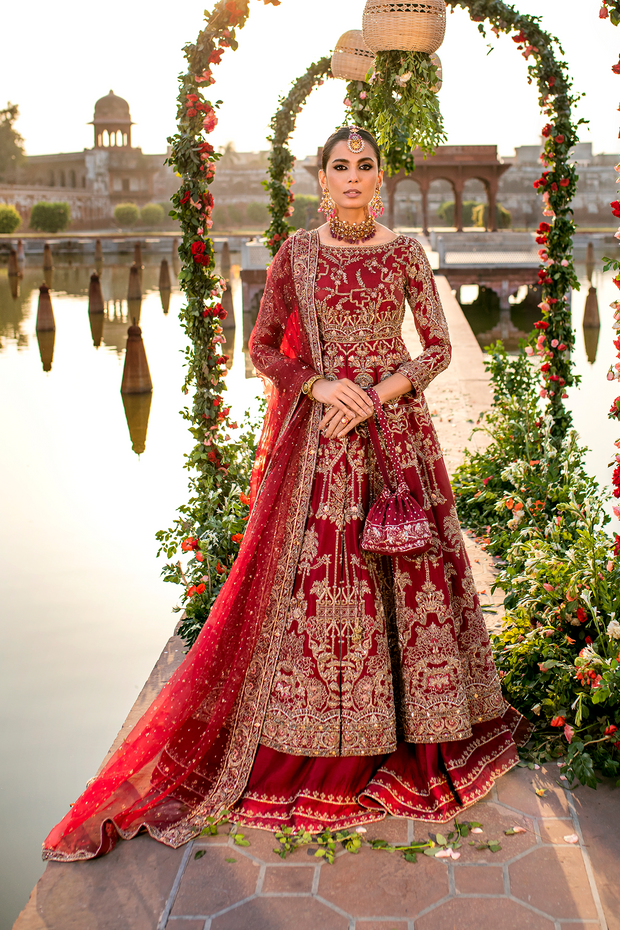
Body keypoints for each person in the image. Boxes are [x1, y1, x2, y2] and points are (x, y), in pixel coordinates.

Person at [43, 127, 529, 862]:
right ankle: (319, 738)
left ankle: (418, 730)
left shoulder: (403, 254)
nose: (355, 177)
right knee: (321, 590)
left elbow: (437, 346)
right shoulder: (297, 255)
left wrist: (379, 392)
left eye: (366, 166)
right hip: (321, 442)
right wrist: (322, 384)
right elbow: (263, 347)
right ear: (322, 178)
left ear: (379, 177)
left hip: (397, 439)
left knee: (411, 577)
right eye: (341, 167)